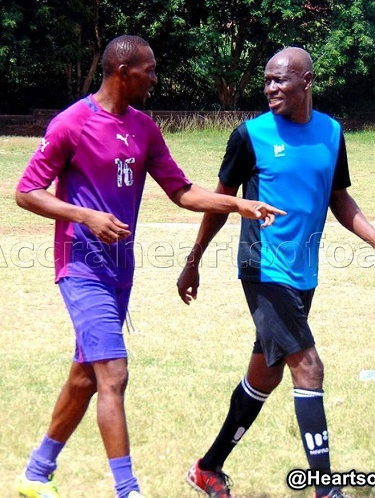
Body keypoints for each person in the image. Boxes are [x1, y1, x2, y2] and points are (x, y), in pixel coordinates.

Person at [14, 34, 285, 498]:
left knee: (86, 375)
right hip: (81, 267)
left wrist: (237, 205)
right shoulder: (72, 123)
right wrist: (86, 216)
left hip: (122, 271)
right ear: (123, 72)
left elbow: (181, 191)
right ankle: (128, 491)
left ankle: (37, 473)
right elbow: (26, 191)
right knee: (114, 375)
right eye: (150, 70)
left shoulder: (144, 128)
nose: (156, 79)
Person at [177, 47, 375, 498]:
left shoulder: (332, 133)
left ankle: (208, 468)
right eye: (267, 80)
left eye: (281, 80)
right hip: (262, 268)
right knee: (309, 367)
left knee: (266, 374)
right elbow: (222, 202)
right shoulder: (250, 136)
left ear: (307, 82)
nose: (271, 88)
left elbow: (338, 197)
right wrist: (193, 259)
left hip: (303, 272)